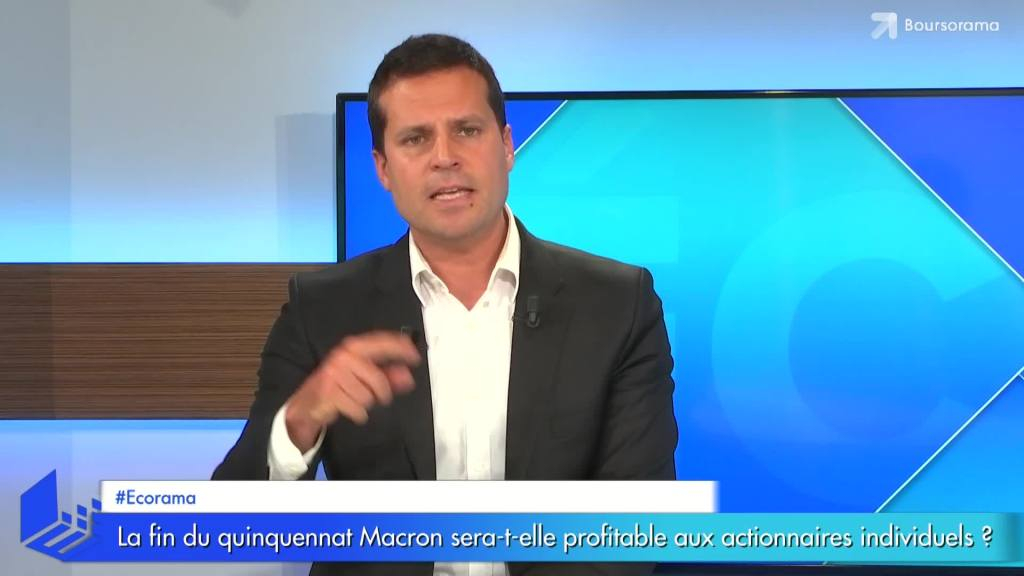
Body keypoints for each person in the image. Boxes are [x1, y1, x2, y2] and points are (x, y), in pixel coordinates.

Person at [213, 33, 678, 576]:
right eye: (415, 139)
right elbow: (232, 523)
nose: (445, 157)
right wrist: (299, 421)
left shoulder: (618, 302)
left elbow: (634, 527)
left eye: (467, 130)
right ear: (383, 169)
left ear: (506, 145)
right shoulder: (322, 308)